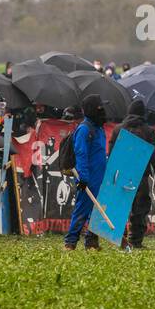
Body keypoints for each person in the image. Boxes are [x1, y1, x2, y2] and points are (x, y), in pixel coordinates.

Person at [109, 98, 155, 248]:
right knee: (139, 208)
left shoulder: (118, 129)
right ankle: (135, 240)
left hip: (120, 174)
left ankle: (119, 238)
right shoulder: (147, 131)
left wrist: (110, 177)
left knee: (120, 207)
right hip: (140, 176)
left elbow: (111, 154)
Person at [64, 94, 108, 251]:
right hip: (87, 179)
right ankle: (70, 243)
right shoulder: (84, 129)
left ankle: (91, 242)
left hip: (100, 178)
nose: (103, 112)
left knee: (96, 212)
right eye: (99, 108)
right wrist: (83, 178)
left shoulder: (99, 128)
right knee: (82, 210)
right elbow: (80, 154)